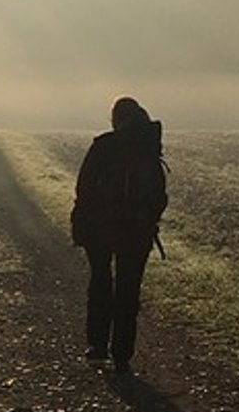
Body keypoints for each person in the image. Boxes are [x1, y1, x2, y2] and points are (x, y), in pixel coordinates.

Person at [69, 96, 167, 374]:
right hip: (137, 231)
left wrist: (85, 220)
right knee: (129, 288)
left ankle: (97, 347)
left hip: (100, 228)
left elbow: (84, 188)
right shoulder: (149, 149)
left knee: (101, 281)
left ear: (116, 119)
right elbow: (159, 195)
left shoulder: (104, 147)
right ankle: (122, 353)